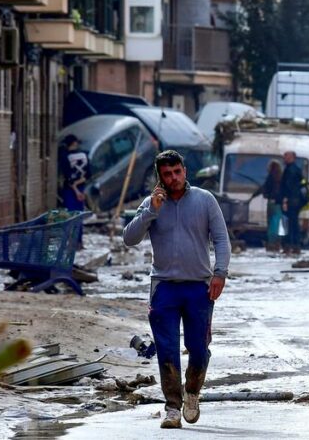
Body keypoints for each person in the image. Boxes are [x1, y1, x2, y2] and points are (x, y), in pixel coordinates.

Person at [122, 150, 231, 429]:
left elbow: (221, 239)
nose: (173, 178)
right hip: (164, 288)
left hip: (199, 288)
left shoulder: (205, 200)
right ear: (160, 177)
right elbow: (129, 238)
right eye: (167, 174)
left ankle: (192, 392)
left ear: (184, 170)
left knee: (198, 348)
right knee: (167, 349)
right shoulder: (151, 204)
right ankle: (171, 407)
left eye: (177, 172)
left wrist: (220, 273)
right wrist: (151, 211)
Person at [279, 151, 307, 255]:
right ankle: (295, 246)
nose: (284, 158)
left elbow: (288, 186)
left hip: (291, 201)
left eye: (286, 156)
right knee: (293, 224)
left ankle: (289, 246)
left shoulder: (290, 170)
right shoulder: (296, 169)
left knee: (288, 224)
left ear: (292, 157)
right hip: (296, 201)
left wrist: (285, 200)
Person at [58, 135, 89, 211]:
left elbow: (68, 176)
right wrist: (78, 189)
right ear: (74, 143)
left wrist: (75, 189)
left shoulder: (64, 156)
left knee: (71, 213)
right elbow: (88, 174)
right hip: (81, 187)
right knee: (79, 213)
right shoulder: (84, 154)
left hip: (69, 190)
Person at [262, 160, 283, 253]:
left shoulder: (270, 177)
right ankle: (277, 243)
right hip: (279, 203)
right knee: (277, 223)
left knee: (271, 223)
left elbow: (265, 189)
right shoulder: (281, 178)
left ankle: (271, 243)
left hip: (271, 202)